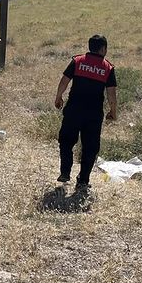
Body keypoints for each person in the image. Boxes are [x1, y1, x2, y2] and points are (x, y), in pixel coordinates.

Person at [54, 34, 118, 200]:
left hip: (74, 110)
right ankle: (83, 180)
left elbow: (64, 80)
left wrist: (58, 96)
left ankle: (65, 172)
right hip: (93, 114)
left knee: (66, 141)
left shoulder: (78, 61)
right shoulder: (107, 68)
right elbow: (111, 93)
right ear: (103, 49)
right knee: (90, 148)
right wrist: (113, 111)